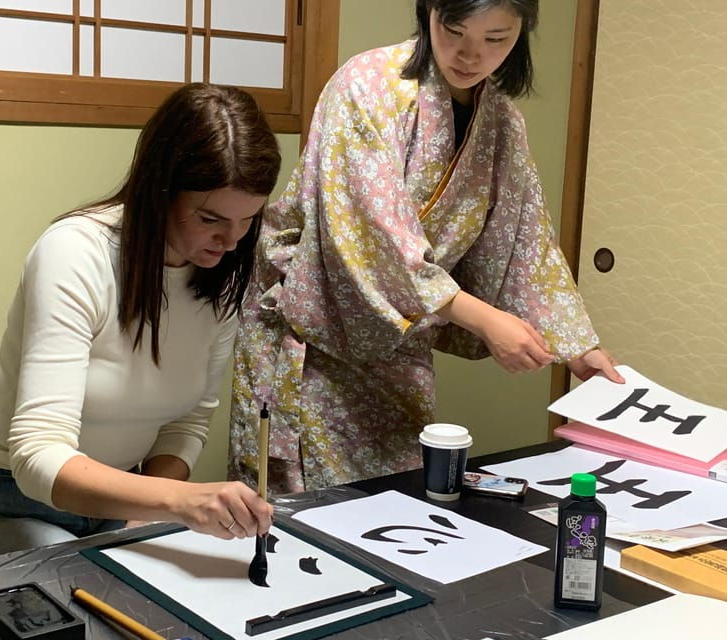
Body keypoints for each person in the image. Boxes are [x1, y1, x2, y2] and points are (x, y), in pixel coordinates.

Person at [229, 0, 624, 494]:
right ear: (428, 11)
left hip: (401, 344)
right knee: (306, 518)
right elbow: (370, 236)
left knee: (395, 501)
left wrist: (575, 347)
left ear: (521, 33)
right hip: (317, 339)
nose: (469, 55)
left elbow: (525, 239)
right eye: (454, 30)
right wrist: (483, 318)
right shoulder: (367, 86)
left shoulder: (501, 121)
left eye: (495, 39)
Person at [0, 83, 280, 568]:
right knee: (88, 596)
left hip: (114, 505)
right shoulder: (76, 253)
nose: (232, 241)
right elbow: (37, 456)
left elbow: (186, 422)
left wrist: (149, 508)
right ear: (161, 191)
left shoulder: (219, 272)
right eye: (211, 218)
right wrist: (179, 501)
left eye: (248, 220)